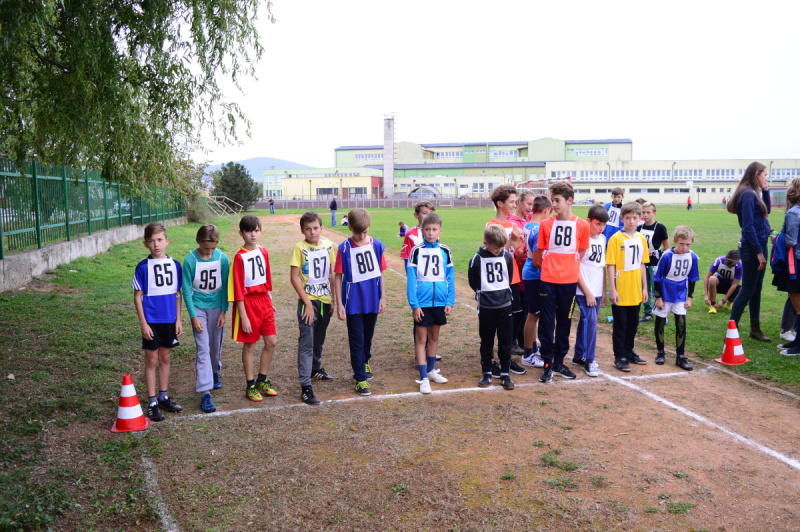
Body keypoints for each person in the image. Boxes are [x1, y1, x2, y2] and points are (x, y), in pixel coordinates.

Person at [534, 181, 590, 383]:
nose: (554, 204)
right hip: (548, 281)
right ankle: (547, 363)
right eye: (552, 200)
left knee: (565, 322)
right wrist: (552, 267)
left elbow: (581, 252)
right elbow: (539, 254)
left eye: (557, 200)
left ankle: (559, 362)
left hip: (568, 282)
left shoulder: (582, 225)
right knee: (547, 322)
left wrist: (567, 267)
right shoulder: (545, 224)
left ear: (569, 201)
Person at [132, 222, 184, 422]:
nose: (156, 245)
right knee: (151, 359)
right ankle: (152, 401)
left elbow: (178, 294)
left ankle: (163, 397)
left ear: (167, 241)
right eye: (152, 241)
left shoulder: (175, 265)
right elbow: (138, 297)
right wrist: (143, 324)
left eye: (160, 240)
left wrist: (178, 319)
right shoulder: (143, 267)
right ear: (146, 244)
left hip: (169, 319)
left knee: (165, 357)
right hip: (151, 320)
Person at [334, 208, 387, 396]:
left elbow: (381, 273)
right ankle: (360, 378)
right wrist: (340, 303)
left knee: (367, 336)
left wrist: (383, 297)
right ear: (349, 227)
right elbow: (338, 276)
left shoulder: (377, 245)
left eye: (364, 232)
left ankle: (365, 361)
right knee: (356, 339)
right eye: (358, 232)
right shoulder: (344, 248)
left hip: (372, 300)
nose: (361, 236)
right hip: (353, 302)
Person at [229, 214, 279, 401]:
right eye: (249, 231)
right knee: (250, 345)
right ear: (241, 233)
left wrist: (270, 301)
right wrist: (243, 316)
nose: (253, 235)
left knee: (271, 342)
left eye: (256, 230)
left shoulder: (263, 252)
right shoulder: (239, 257)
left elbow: (266, 278)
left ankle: (262, 380)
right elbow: (237, 288)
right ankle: (250, 384)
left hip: (264, 301)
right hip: (248, 304)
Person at [289, 212, 337, 405]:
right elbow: (294, 278)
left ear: (321, 228)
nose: (312, 232)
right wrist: (307, 304)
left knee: (319, 338)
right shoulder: (299, 248)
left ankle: (315, 368)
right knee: (307, 342)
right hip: (308, 302)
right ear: (302, 230)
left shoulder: (328, 246)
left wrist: (333, 299)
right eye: (308, 229)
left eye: (316, 228)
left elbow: (331, 274)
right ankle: (305, 386)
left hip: (325, 301)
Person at [406, 213, 455, 394]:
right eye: (427, 229)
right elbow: (411, 280)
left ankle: (431, 370)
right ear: (422, 231)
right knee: (421, 339)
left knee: (434, 337)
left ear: (440, 231)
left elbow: (450, 277)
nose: (430, 233)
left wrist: (449, 301)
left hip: (439, 302)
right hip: (422, 302)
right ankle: (423, 377)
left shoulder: (445, 251)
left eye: (434, 229)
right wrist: (414, 304)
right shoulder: (416, 251)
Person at [182, 224, 229, 414]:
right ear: (198, 242)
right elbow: (186, 290)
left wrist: (224, 311)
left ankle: (215, 371)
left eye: (213, 248)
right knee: (203, 348)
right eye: (205, 248)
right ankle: (205, 392)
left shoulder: (222, 258)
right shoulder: (190, 260)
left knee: (215, 346)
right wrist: (193, 316)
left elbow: (225, 286)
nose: (209, 252)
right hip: (199, 307)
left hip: (217, 307)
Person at [468, 225, 517, 390]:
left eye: (501, 247)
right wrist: (485, 295)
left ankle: (505, 373)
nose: (498, 251)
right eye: (495, 248)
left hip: (505, 306)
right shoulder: (477, 259)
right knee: (487, 340)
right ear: (486, 243)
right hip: (486, 307)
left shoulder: (506, 257)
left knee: (505, 340)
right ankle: (487, 372)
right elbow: (473, 282)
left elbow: (508, 277)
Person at [727, 162, 772, 341]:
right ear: (756, 174)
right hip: (753, 248)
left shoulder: (754, 192)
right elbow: (748, 226)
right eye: (765, 174)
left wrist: (766, 191)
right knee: (747, 290)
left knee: (756, 288)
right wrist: (759, 253)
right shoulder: (747, 193)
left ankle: (755, 329)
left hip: (760, 245)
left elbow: (767, 211)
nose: (766, 178)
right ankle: (731, 332)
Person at [486, 185, 527, 376]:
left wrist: (522, 247)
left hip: (514, 278)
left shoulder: (514, 225)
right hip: (499, 281)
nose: (514, 205)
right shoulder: (492, 226)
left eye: (515, 201)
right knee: (498, 322)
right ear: (500, 203)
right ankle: (493, 360)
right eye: (511, 202)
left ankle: (507, 357)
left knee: (514, 318)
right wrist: (511, 240)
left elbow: (516, 253)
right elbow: (494, 255)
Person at [606, 202, 649, 371]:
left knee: (633, 324)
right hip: (621, 288)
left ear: (640, 219)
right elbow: (611, 265)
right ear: (622, 218)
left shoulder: (641, 238)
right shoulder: (616, 238)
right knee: (620, 325)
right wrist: (613, 289)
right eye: (628, 218)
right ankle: (620, 356)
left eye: (634, 218)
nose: (631, 221)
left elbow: (642, 264)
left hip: (635, 288)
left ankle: (629, 351)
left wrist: (644, 288)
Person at [652, 226, 699, 370]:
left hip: (680, 294)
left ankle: (680, 356)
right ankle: (660, 352)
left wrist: (690, 297)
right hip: (665, 292)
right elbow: (657, 278)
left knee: (681, 324)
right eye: (681, 244)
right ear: (675, 241)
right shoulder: (667, 256)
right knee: (660, 322)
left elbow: (692, 278)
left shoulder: (692, 257)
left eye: (688, 244)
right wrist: (658, 297)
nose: (684, 247)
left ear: (692, 242)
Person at [572, 204, 608, 377]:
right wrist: (587, 292)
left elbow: (601, 266)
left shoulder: (603, 239)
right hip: (584, 290)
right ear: (588, 221)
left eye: (604, 225)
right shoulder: (582, 240)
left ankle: (579, 355)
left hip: (597, 289)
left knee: (586, 321)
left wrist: (604, 290)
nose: (601, 228)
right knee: (591, 321)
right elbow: (576, 266)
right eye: (598, 224)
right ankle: (589, 359)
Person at [520, 195, 552, 368]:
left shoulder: (528, 225)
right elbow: (537, 260)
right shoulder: (538, 229)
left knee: (534, 313)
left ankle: (532, 348)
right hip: (534, 275)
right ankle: (527, 354)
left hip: (530, 272)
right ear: (546, 210)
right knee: (533, 314)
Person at [772, 177, 800, 355]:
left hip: (795, 263)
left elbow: (790, 241)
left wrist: (776, 238)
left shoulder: (793, 213)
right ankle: (797, 341)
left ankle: (798, 346)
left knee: (798, 305)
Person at [508, 190, 535, 355]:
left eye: (533, 204)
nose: (531, 208)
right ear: (520, 202)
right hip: (516, 272)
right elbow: (517, 251)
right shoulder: (512, 222)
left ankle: (523, 340)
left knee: (526, 309)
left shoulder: (527, 220)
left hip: (527, 273)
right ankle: (512, 341)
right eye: (528, 204)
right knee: (516, 311)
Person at [637, 202, 669, 322]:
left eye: (648, 212)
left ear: (654, 213)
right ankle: (648, 311)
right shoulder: (639, 228)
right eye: (643, 212)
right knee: (645, 287)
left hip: (655, 262)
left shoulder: (660, 227)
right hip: (642, 262)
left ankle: (662, 312)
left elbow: (666, 246)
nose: (645, 215)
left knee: (657, 287)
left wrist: (664, 261)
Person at [704, 249, 742, 314]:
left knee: (745, 299)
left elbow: (734, 284)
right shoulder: (719, 261)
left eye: (732, 263)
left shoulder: (740, 266)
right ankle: (713, 305)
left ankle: (730, 300)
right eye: (728, 262)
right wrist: (706, 295)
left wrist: (723, 301)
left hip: (731, 286)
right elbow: (707, 277)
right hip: (719, 284)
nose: (729, 265)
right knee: (712, 279)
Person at [400, 201, 436, 266]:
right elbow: (407, 259)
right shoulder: (411, 235)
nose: (428, 217)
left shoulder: (435, 233)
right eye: (425, 213)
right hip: (418, 271)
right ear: (416, 215)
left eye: (430, 214)